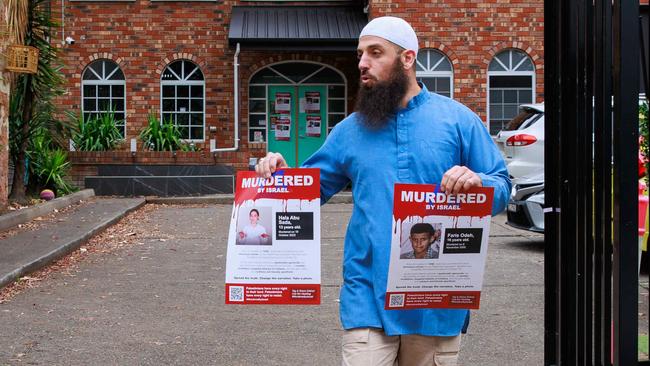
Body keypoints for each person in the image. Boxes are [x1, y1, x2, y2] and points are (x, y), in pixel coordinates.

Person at [256, 16, 510, 366]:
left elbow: (501, 186)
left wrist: (478, 184)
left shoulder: (458, 120)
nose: (362, 63)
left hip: (435, 301)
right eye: (361, 54)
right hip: (368, 297)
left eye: (376, 53)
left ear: (407, 58)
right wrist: (278, 177)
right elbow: (307, 191)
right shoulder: (350, 130)